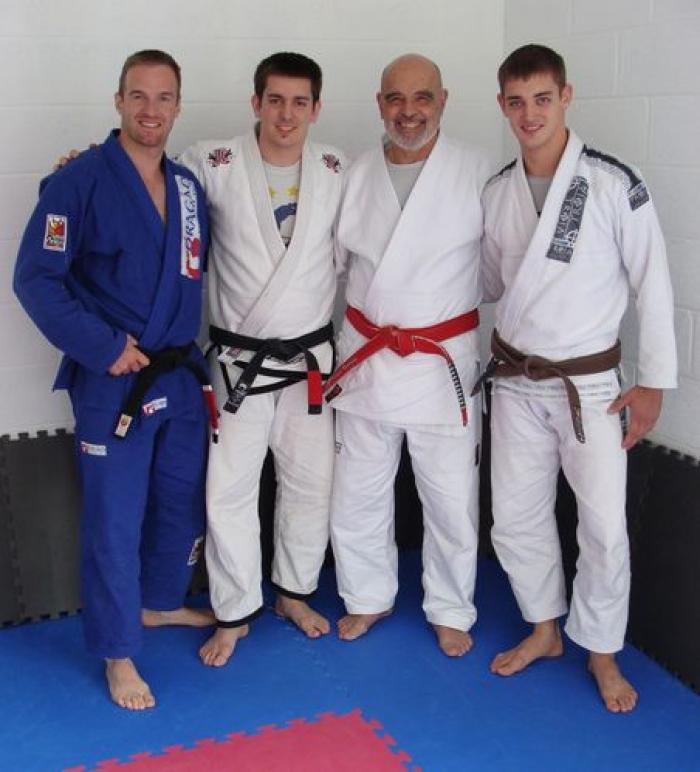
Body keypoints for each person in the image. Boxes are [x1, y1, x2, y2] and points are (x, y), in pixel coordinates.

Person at [14, 50, 214, 710]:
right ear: (119, 101)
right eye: (138, 96)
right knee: (114, 521)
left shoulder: (189, 190)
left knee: (179, 503)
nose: (150, 110)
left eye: (163, 97)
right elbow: (35, 279)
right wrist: (105, 346)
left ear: (178, 105)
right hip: (113, 381)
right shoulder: (77, 182)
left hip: (178, 376)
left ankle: (158, 603)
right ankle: (117, 651)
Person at [480, 44, 677, 712]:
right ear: (502, 105)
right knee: (515, 516)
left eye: (542, 98)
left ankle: (601, 651)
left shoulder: (614, 182)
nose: (529, 114)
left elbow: (653, 282)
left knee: (603, 527)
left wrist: (653, 384)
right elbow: (489, 283)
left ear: (566, 96)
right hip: (515, 377)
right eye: (516, 102)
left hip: (592, 386)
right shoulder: (497, 190)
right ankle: (544, 629)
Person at [179, 52, 346, 666]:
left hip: (309, 363)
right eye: (275, 100)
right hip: (237, 362)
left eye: (300, 102)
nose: (286, 114)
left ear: (316, 108)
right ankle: (233, 612)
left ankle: (294, 593)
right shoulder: (211, 161)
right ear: (256, 103)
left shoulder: (336, 169)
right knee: (228, 490)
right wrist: (82, 171)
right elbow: (149, 192)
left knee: (311, 484)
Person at [326, 54, 490, 656]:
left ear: (443, 100)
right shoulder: (354, 174)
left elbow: (503, 264)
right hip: (367, 356)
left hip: (440, 362)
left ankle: (450, 607)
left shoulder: (480, 172)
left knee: (449, 498)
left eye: (422, 97)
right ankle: (367, 596)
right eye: (396, 98)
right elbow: (333, 264)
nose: (409, 111)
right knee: (358, 491)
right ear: (379, 104)